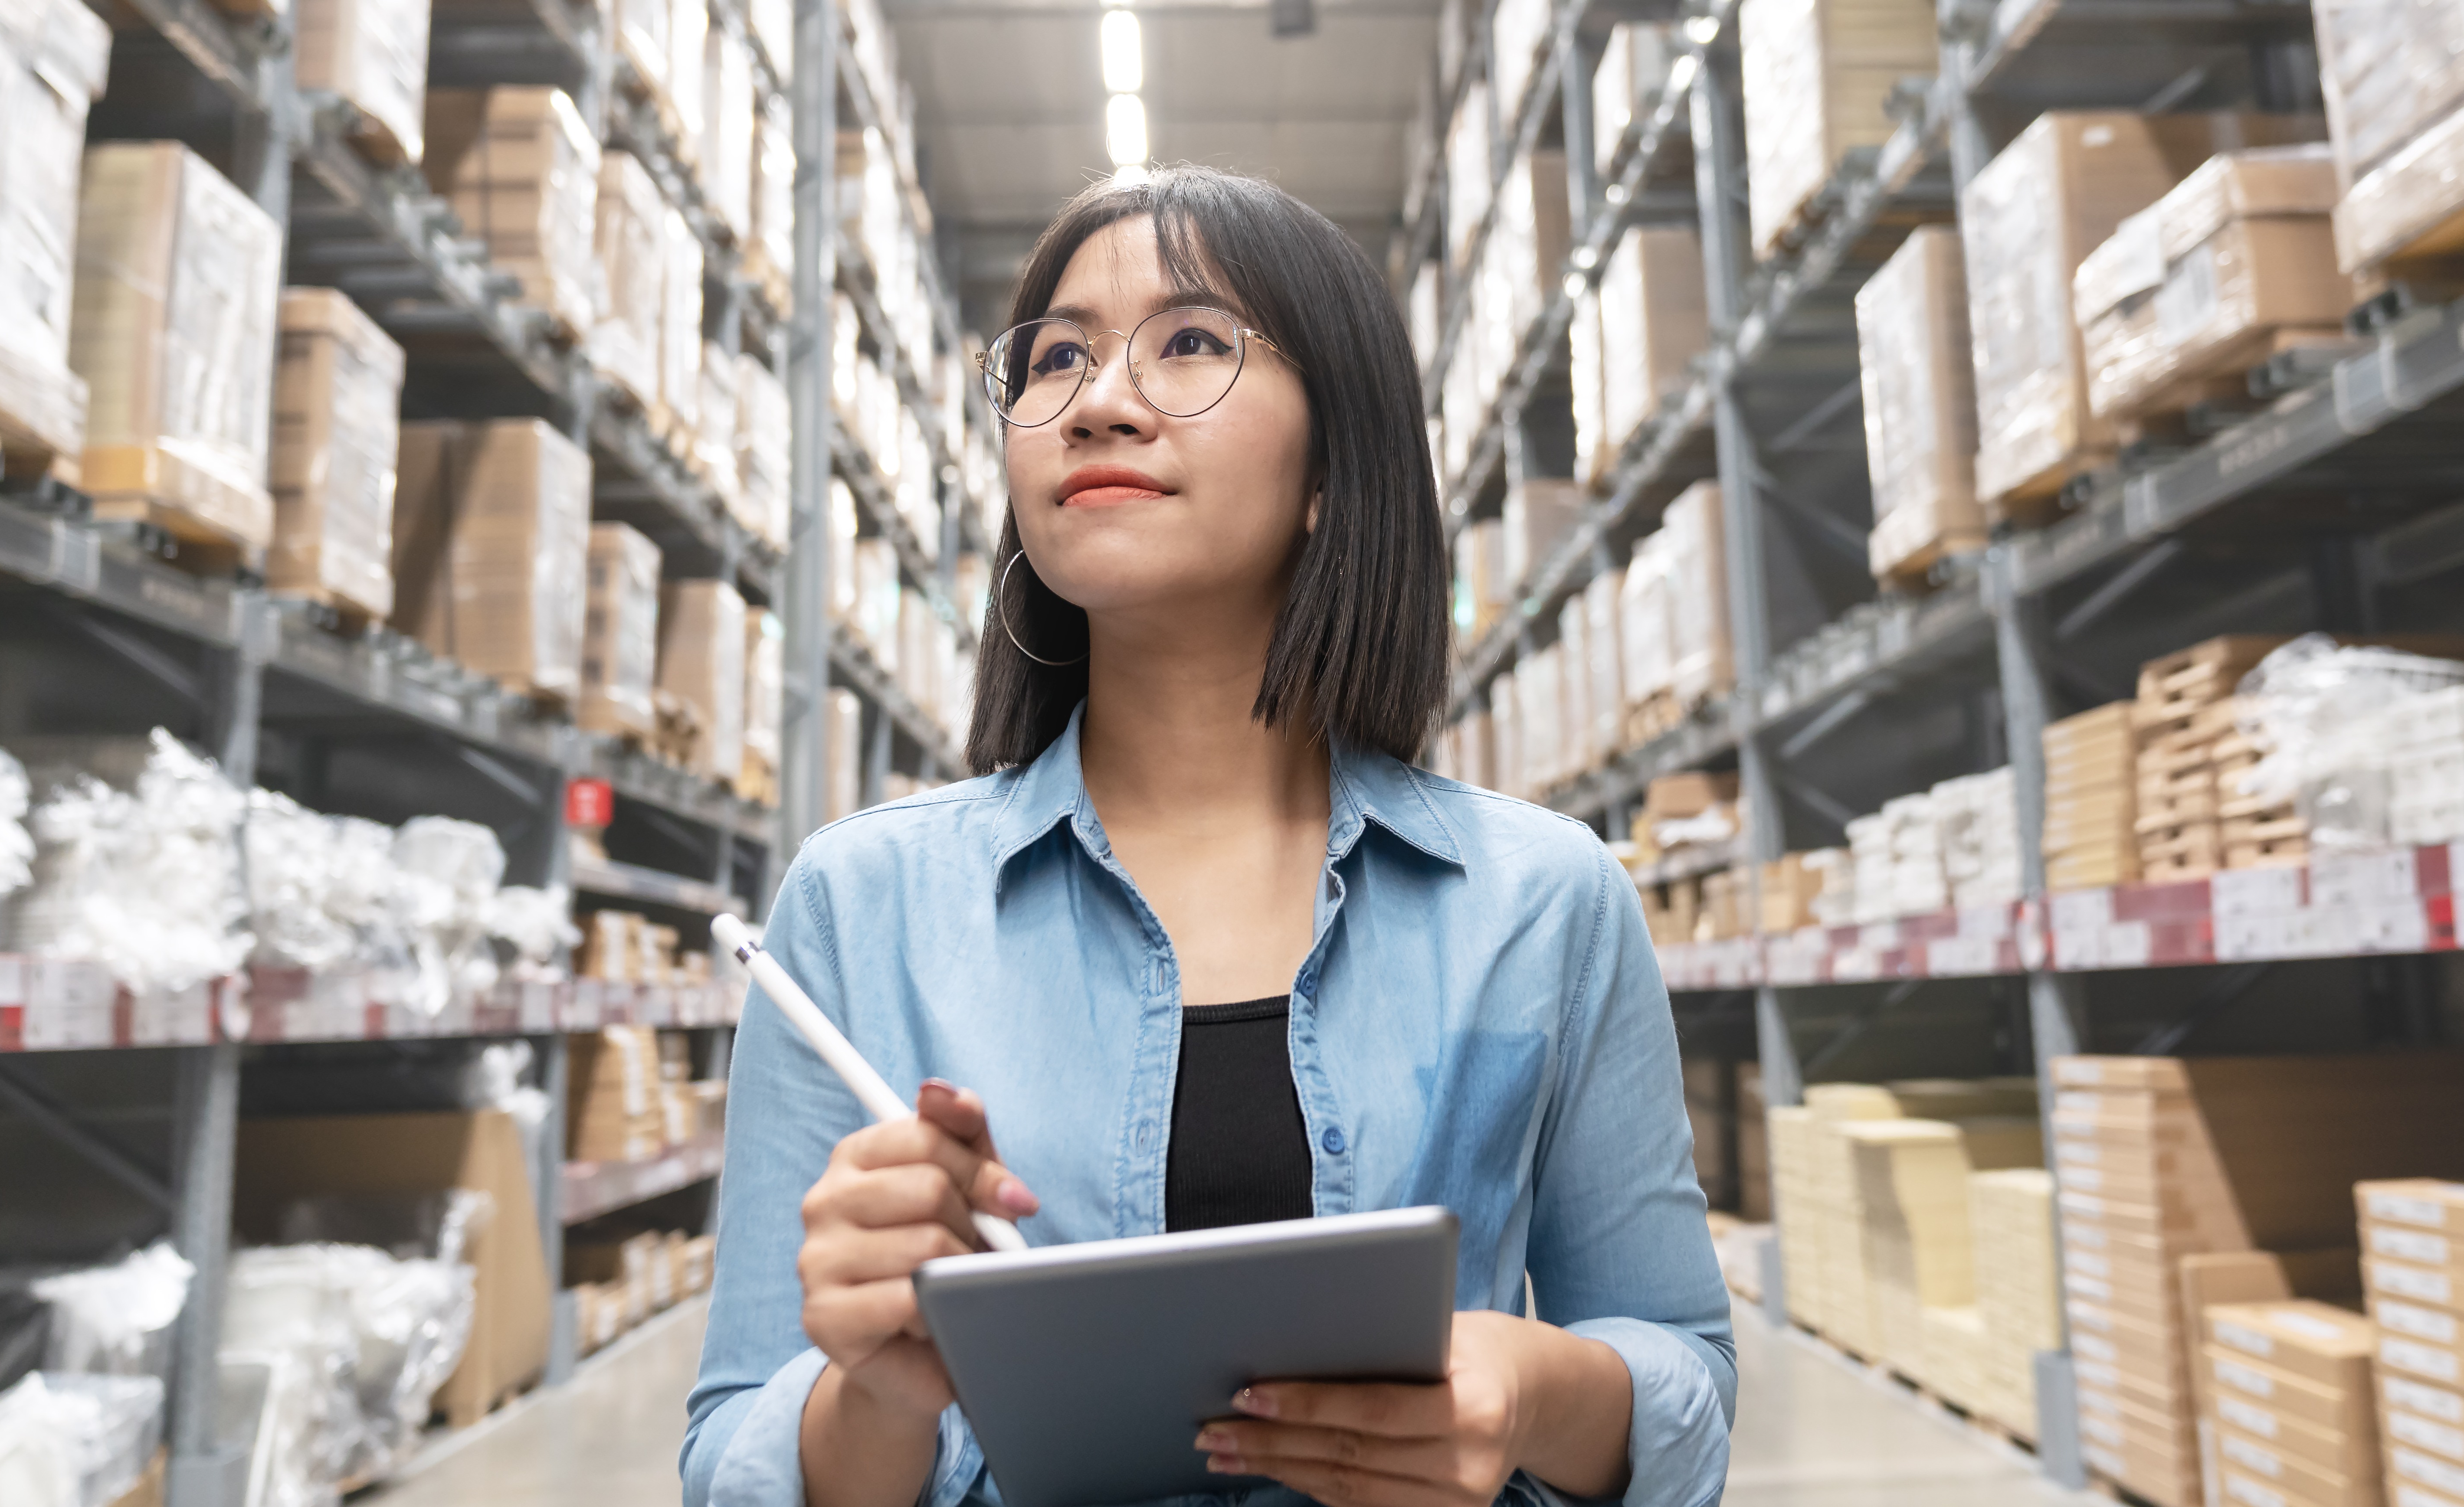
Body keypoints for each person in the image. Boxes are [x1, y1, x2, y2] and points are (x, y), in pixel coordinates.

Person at [681, 163, 1734, 1507]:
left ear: (1327, 469)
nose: (1099, 399)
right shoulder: (858, 904)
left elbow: (1683, 1381)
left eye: (1190, 342)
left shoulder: (1544, 900)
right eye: (1055, 357)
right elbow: (731, 1460)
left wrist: (1527, 1391)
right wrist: (875, 1387)